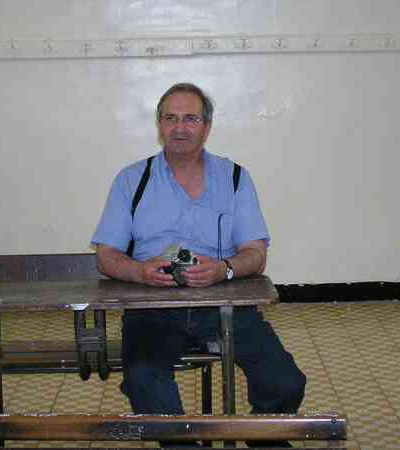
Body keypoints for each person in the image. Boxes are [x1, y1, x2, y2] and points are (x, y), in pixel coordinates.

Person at [91, 82, 306, 447]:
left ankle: (262, 437)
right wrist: (139, 272)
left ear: (206, 127)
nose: (180, 127)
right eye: (170, 118)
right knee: (144, 379)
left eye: (191, 118)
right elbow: (106, 256)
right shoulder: (131, 180)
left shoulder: (235, 178)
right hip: (152, 309)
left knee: (285, 381)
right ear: (159, 125)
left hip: (223, 304)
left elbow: (255, 252)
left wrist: (224, 268)